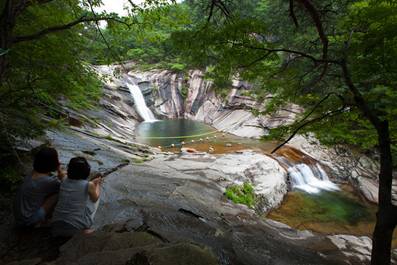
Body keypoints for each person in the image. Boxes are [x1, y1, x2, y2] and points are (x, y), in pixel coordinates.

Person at [14, 147, 65, 228]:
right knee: (59, 193)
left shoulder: (32, 173)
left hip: (19, 217)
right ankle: (44, 221)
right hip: (28, 221)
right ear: (53, 163)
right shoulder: (48, 182)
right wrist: (59, 171)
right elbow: (66, 186)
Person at [51, 157, 103, 237]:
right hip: (76, 228)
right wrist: (98, 185)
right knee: (94, 200)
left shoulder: (63, 179)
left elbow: (61, 173)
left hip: (55, 224)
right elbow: (95, 199)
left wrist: (58, 166)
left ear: (69, 170)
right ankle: (84, 231)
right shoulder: (89, 185)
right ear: (87, 171)